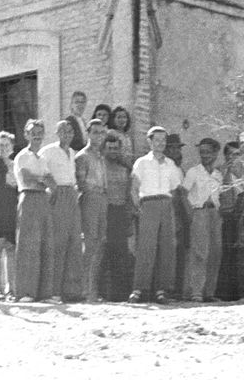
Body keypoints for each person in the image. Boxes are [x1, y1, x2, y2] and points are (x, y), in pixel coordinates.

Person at [129, 126, 183, 304]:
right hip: (148, 204)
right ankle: (138, 289)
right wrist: (139, 208)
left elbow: (175, 189)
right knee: (146, 247)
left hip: (166, 205)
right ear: (150, 141)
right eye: (157, 140)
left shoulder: (171, 164)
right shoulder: (142, 163)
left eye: (163, 140)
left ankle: (161, 290)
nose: (160, 143)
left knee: (166, 247)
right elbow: (134, 188)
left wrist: (167, 206)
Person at [39, 120, 84, 302]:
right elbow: (41, 171)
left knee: (74, 242)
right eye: (63, 131)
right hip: (58, 195)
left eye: (70, 131)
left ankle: (71, 291)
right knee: (58, 243)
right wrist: (52, 189)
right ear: (57, 133)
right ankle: (53, 291)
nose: (67, 134)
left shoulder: (73, 153)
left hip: (72, 195)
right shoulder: (48, 151)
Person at [13, 119, 53, 302]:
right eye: (32, 132)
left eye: (40, 132)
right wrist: (42, 179)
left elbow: (53, 183)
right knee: (28, 245)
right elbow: (27, 179)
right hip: (28, 198)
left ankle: (44, 292)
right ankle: (25, 292)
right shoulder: (22, 156)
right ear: (26, 134)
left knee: (45, 244)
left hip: (43, 200)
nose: (37, 135)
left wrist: (42, 180)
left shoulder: (43, 158)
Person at [184, 138, 224, 302]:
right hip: (199, 212)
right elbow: (182, 193)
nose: (205, 155)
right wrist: (190, 214)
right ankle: (196, 292)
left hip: (214, 214)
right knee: (200, 252)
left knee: (215, 252)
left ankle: (209, 292)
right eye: (202, 152)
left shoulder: (218, 175)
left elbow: (220, 196)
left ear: (215, 153)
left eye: (208, 152)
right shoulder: (194, 172)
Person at [75, 118, 108, 302]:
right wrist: (94, 192)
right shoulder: (82, 156)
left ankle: (93, 288)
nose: (99, 136)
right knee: (89, 243)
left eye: (101, 132)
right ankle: (84, 290)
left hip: (103, 199)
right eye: (95, 132)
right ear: (88, 133)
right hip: (90, 200)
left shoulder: (101, 156)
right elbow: (81, 183)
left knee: (100, 244)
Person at [100, 131, 134, 301]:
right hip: (104, 211)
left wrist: (128, 217)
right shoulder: (100, 166)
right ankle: (100, 293)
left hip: (120, 213)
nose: (113, 151)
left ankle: (119, 294)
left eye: (116, 148)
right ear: (104, 149)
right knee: (102, 252)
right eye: (110, 148)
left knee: (120, 254)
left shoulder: (125, 168)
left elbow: (129, 194)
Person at [219, 140, 244, 299]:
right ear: (225, 156)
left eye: (237, 154)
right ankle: (226, 292)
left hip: (243, 212)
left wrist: (242, 176)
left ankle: (243, 292)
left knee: (243, 252)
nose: (234, 157)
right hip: (226, 214)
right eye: (231, 154)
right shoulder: (220, 171)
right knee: (227, 251)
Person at [0, 131, 18, 300]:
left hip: (12, 207)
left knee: (11, 249)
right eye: (1, 145)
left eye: (7, 145)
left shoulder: (16, 164)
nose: (4, 148)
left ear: (12, 147)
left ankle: (11, 287)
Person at [165, 132, 190, 297]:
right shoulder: (165, 167)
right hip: (169, 211)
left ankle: (178, 289)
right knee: (169, 250)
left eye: (177, 148)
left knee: (181, 250)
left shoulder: (179, 168)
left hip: (181, 213)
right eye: (171, 148)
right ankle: (168, 288)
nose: (175, 151)